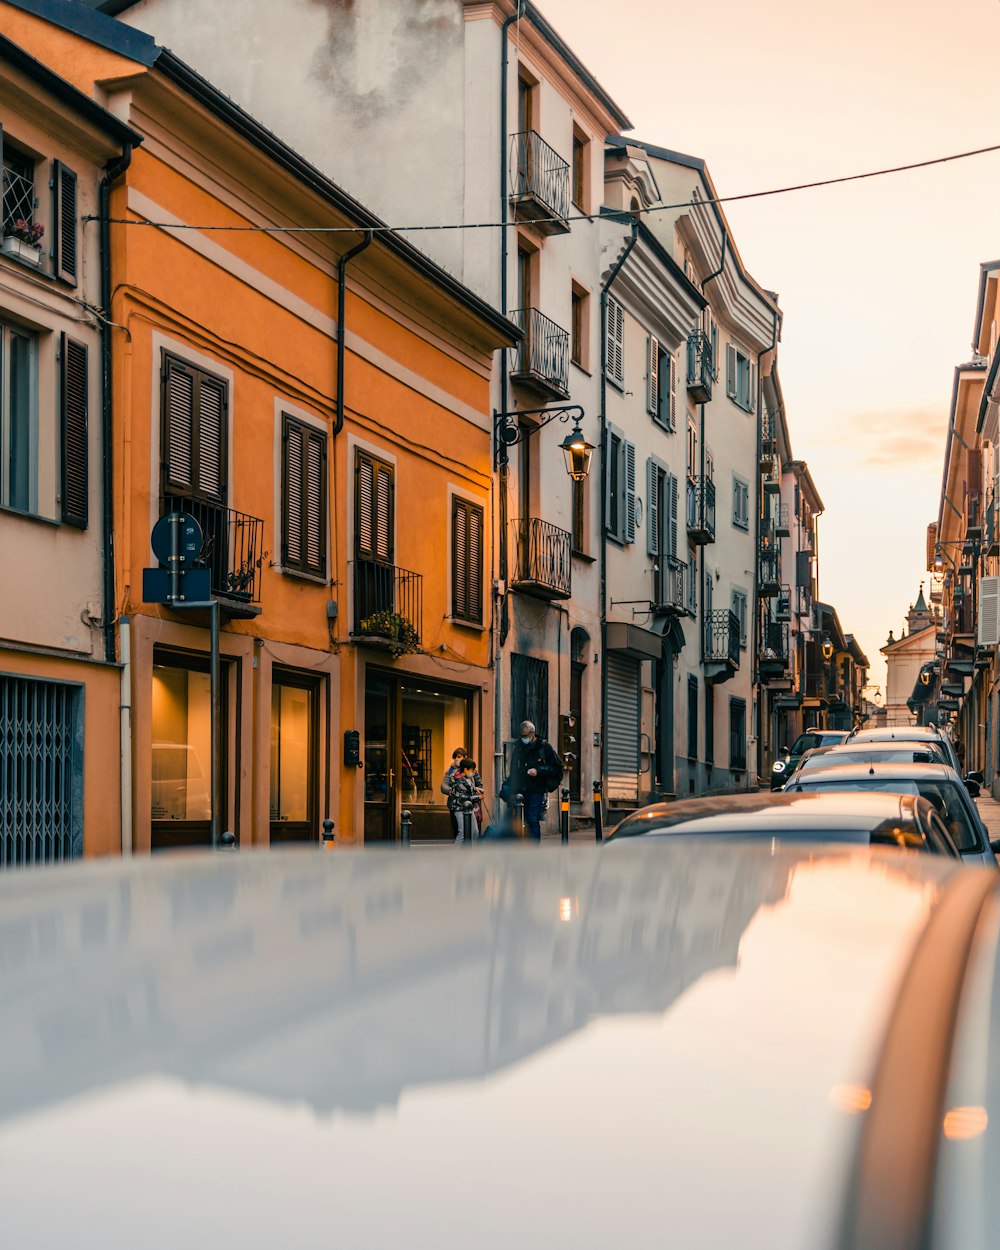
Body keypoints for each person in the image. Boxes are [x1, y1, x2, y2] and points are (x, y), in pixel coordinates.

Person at [503, 721, 562, 841]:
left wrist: (538, 770)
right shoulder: (518, 747)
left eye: (526, 735)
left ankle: (534, 847)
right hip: (521, 789)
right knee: (519, 820)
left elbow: (555, 768)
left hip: (537, 789)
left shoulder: (544, 747)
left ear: (533, 733)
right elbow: (514, 769)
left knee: (532, 818)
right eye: (522, 736)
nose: (524, 738)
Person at [441, 747, 483, 839]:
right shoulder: (451, 772)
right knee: (460, 832)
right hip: (457, 805)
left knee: (474, 831)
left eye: (459, 757)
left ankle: (471, 851)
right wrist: (451, 791)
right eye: (455, 757)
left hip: (469, 805)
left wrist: (476, 789)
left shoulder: (472, 770)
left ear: (465, 757)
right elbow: (444, 786)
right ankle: (461, 852)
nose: (456, 759)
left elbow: (478, 784)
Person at [447, 758, 482, 843]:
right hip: (459, 808)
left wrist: (475, 788)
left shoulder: (464, 776)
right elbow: (464, 797)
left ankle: (471, 854)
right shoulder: (458, 780)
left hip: (469, 808)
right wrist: (478, 797)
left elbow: (468, 788)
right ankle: (457, 855)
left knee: (474, 832)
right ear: (466, 769)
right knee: (462, 833)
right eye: (472, 770)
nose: (474, 772)